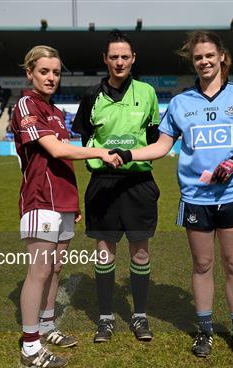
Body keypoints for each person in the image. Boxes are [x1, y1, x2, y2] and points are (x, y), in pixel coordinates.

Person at [111, 31, 233, 359]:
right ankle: (204, 331)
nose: (204, 61)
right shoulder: (181, 103)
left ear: (221, 57)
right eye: (198, 57)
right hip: (196, 197)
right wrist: (128, 154)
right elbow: (161, 146)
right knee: (202, 263)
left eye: (209, 55)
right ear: (192, 62)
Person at [12, 45, 121, 368]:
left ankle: (46, 325)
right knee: (40, 270)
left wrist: (72, 204)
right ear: (30, 72)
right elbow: (56, 151)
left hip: (62, 202)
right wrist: (100, 153)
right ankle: (31, 345)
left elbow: (64, 159)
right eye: (44, 71)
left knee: (56, 268)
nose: (51, 77)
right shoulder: (26, 105)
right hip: (40, 201)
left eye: (56, 72)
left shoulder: (57, 112)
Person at [72, 29, 161, 343]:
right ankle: (106, 318)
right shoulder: (90, 97)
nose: (119, 62)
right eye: (114, 57)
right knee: (104, 252)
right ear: (105, 60)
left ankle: (139, 317)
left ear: (133, 58)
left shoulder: (148, 93)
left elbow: (152, 139)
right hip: (103, 183)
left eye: (125, 56)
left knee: (139, 253)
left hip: (138, 182)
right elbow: (84, 141)